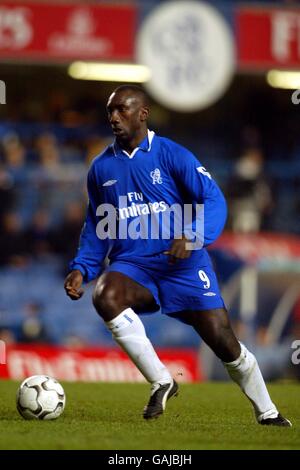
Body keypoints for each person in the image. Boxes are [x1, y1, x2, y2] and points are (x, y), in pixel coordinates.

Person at [64, 85, 291, 426]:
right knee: (105, 295)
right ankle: (161, 380)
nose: (113, 117)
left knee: (223, 341)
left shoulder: (172, 155)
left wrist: (194, 235)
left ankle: (267, 411)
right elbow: (98, 224)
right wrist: (82, 267)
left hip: (182, 264)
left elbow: (213, 200)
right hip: (134, 265)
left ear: (143, 114)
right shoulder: (100, 168)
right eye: (110, 111)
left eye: (122, 109)